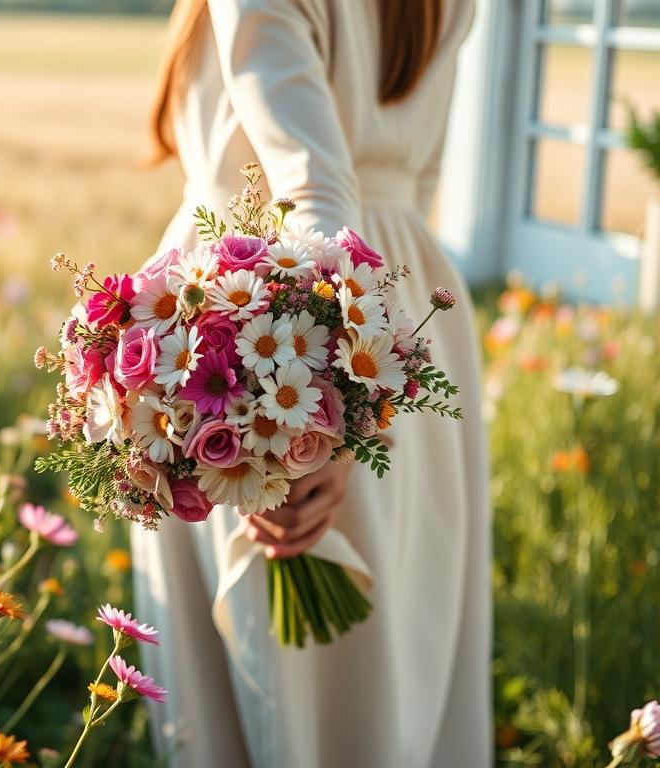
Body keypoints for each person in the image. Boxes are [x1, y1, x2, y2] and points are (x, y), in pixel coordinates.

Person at [129, 1, 491, 765]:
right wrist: (378, 360)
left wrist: (324, 419)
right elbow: (417, 179)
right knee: (393, 668)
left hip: (272, 323)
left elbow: (314, 192)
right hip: (404, 311)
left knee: (291, 695)